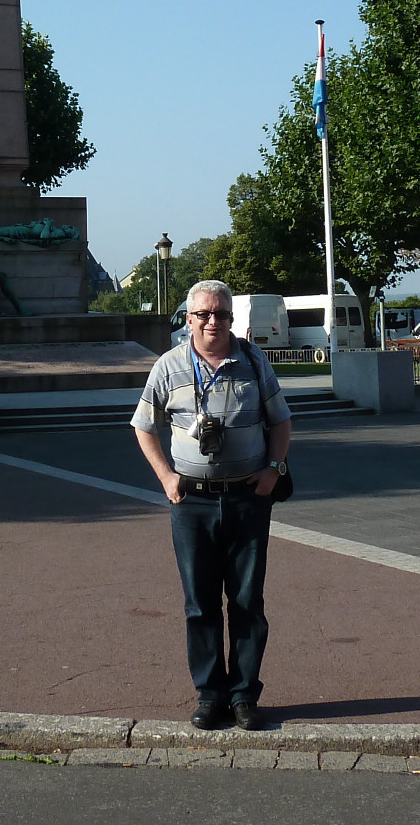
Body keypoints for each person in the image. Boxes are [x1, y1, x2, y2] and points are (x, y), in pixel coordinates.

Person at [131, 279, 291, 732]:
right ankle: (209, 694)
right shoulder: (168, 365)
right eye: (203, 314)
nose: (212, 322)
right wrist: (165, 476)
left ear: (232, 318)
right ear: (189, 319)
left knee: (246, 601)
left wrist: (275, 468)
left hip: (248, 498)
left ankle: (243, 695)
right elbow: (144, 426)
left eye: (220, 313)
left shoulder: (254, 362)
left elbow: (281, 420)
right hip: (192, 503)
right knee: (199, 602)